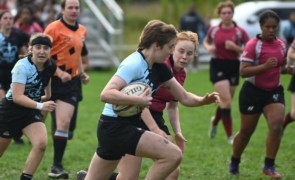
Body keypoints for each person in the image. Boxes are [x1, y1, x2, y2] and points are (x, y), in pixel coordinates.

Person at [82, 19, 219, 180]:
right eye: (170, 47)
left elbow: (183, 96)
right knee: (172, 155)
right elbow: (106, 94)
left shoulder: (160, 67)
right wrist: (137, 101)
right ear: (156, 45)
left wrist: (204, 100)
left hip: (126, 126)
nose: (172, 51)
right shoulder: (133, 64)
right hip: (114, 127)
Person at [229, 10, 291, 178]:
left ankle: (268, 166)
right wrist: (264, 67)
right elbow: (243, 72)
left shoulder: (282, 44)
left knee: (277, 126)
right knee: (246, 133)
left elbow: (280, 66)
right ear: (261, 27)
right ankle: (235, 160)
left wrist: (288, 70)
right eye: (267, 27)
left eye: (274, 27)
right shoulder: (252, 45)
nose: (271, 30)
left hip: (274, 91)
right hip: (252, 92)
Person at [0, 33, 57, 180]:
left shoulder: (50, 65)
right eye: (38, 47)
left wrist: (46, 97)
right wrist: (40, 105)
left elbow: (47, 87)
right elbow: (18, 97)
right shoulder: (22, 66)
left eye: (46, 48)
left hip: (30, 111)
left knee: (41, 143)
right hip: (10, 110)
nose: (42, 51)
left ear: (50, 50)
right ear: (30, 49)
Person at [44, 0, 89, 178]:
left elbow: (76, 54)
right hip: (49, 80)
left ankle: (56, 166)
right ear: (62, 9)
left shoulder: (82, 30)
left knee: (65, 125)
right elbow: (42, 54)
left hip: (70, 83)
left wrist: (82, 73)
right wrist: (58, 71)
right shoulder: (52, 28)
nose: (73, 10)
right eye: (69, 7)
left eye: (76, 7)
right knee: (35, 121)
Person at [203, 1, 249, 144]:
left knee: (225, 102)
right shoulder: (214, 30)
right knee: (227, 101)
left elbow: (248, 50)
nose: (227, 15)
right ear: (220, 15)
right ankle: (230, 137)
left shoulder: (240, 31)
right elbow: (206, 41)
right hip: (218, 65)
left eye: (229, 12)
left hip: (234, 65)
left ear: (232, 14)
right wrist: (209, 48)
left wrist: (236, 48)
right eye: (224, 13)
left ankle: (215, 121)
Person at [0, 10, 30, 145]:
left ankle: (15, 132)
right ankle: (5, 132)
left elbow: (25, 49)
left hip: (14, 75)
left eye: (11, 18)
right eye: (5, 18)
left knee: (15, 103)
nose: (8, 20)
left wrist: (27, 57)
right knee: (2, 102)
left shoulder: (17, 35)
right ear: (0, 21)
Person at [179, 3, 205, 71]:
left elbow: (202, 24)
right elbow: (181, 27)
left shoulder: (197, 16)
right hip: (185, 37)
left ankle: (195, 66)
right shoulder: (185, 17)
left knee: (195, 52)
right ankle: (185, 66)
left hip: (194, 38)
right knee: (184, 52)